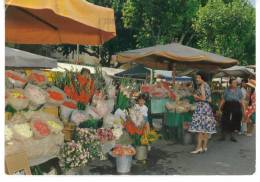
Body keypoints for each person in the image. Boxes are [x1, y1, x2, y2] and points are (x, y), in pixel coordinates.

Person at [189, 71, 217, 154]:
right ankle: (204, 147)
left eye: (198, 78)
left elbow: (204, 98)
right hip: (207, 108)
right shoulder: (207, 85)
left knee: (200, 130)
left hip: (201, 108)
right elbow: (210, 99)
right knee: (205, 129)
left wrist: (195, 96)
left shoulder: (202, 86)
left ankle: (198, 148)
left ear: (202, 78)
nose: (197, 79)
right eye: (196, 77)